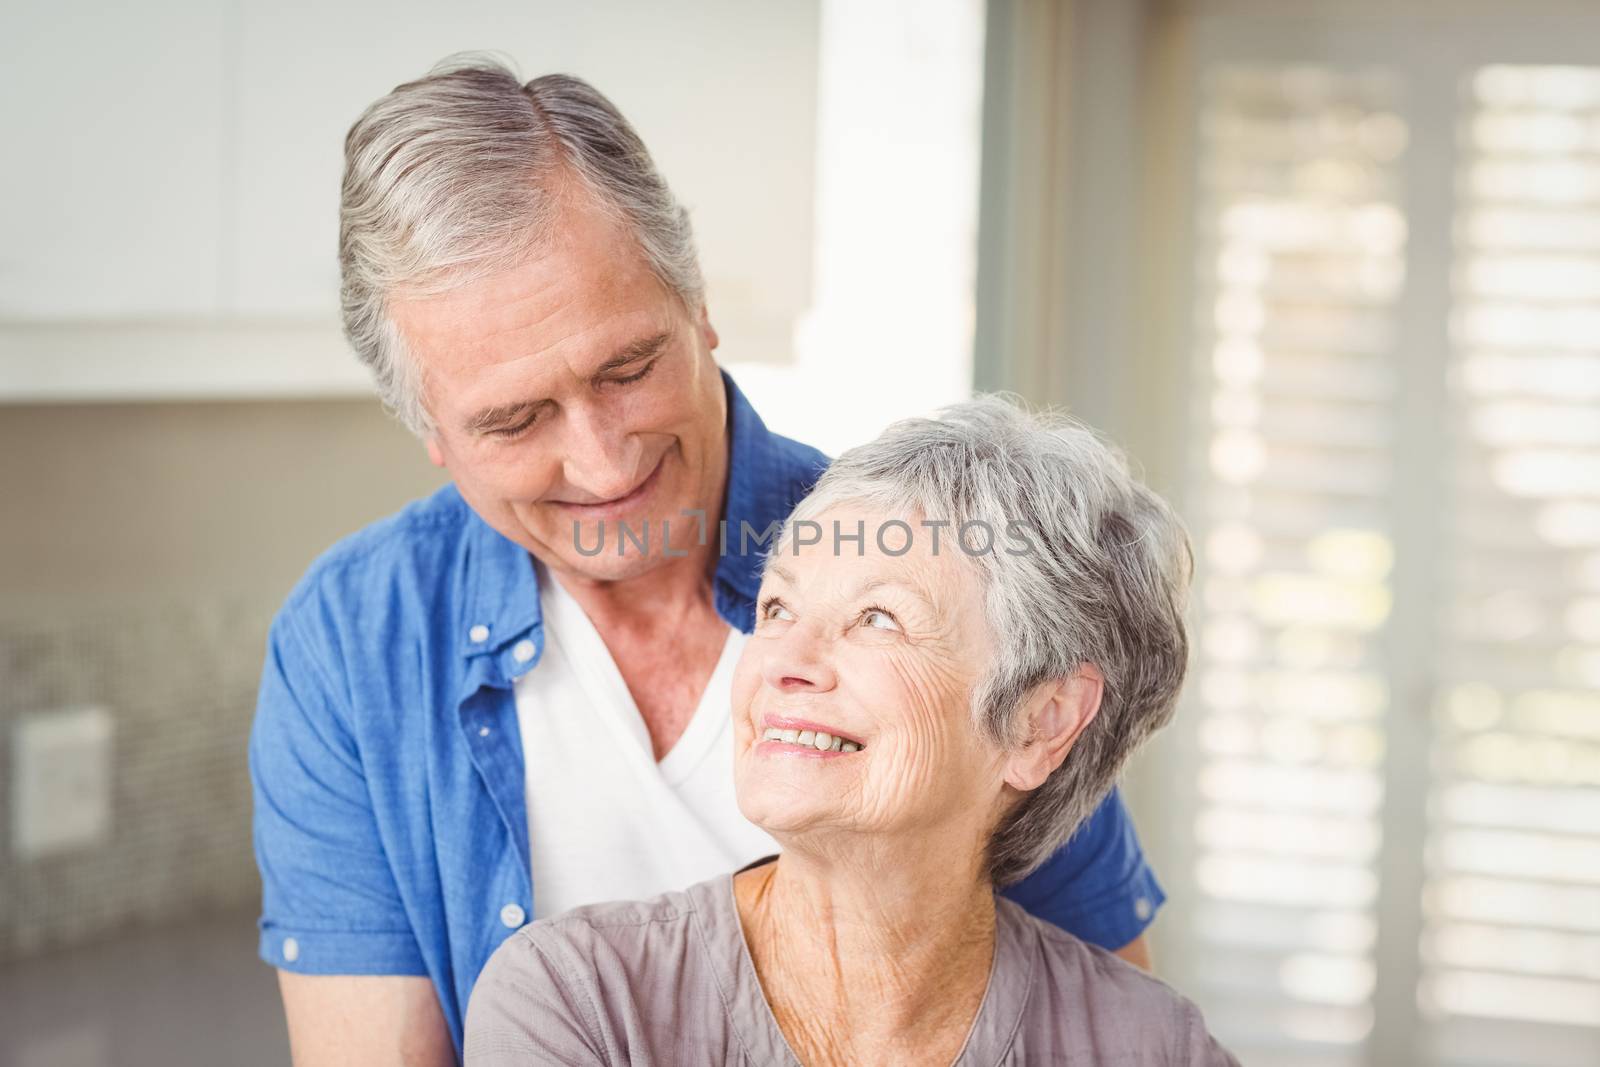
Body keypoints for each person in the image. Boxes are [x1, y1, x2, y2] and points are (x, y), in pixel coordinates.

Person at [250, 55, 1168, 1065]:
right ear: (431, 427)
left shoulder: (953, 580)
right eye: (514, 419)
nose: (603, 461)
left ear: (697, 304)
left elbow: (1100, 1016)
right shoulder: (354, 643)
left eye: (628, 367)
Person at [464, 398, 1235, 1066]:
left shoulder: (1154, 1045)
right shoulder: (574, 1003)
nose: (784, 664)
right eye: (776, 609)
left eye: (877, 618)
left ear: (1041, 722)